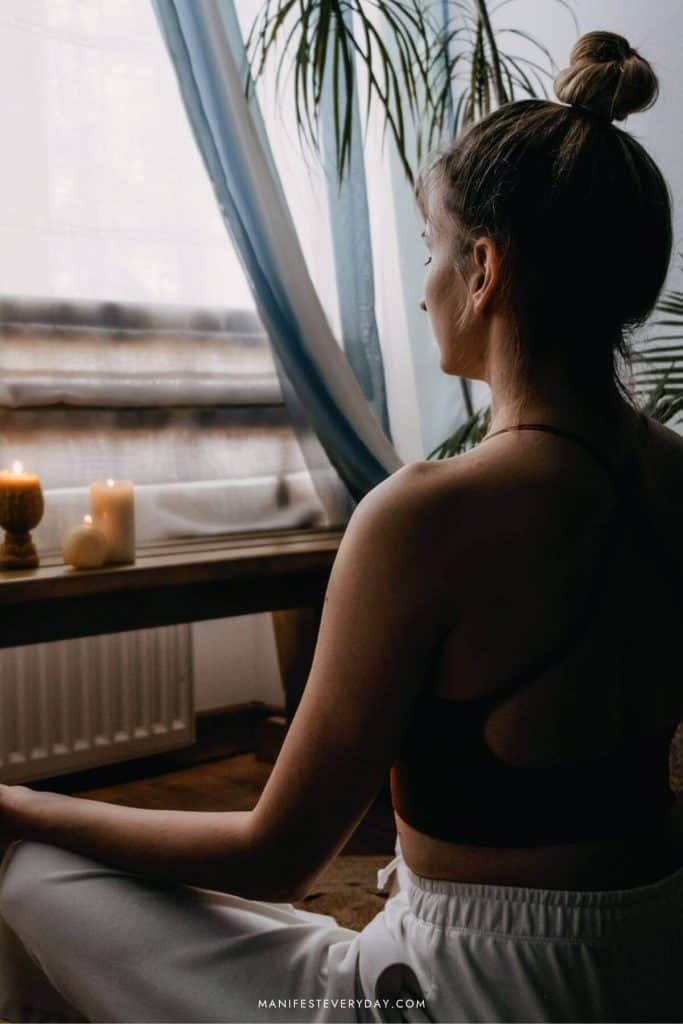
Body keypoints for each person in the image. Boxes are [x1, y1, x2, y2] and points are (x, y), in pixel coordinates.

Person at [1, 28, 682, 1024]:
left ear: (481, 268)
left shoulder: (425, 515)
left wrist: (14, 804)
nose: (417, 288)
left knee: (25, 874)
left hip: (466, 995)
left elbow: (273, 857)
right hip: (651, 956)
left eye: (426, 252)